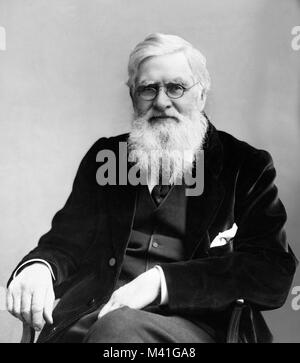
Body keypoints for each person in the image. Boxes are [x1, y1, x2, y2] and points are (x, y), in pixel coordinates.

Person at [6, 33, 298, 343]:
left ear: (201, 95)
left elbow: (272, 272)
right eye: (148, 89)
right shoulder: (107, 158)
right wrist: (40, 268)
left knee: (119, 330)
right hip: (90, 319)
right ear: (132, 96)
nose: (161, 101)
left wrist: (161, 282)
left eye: (176, 87)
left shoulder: (244, 165)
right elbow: (65, 243)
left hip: (194, 331)